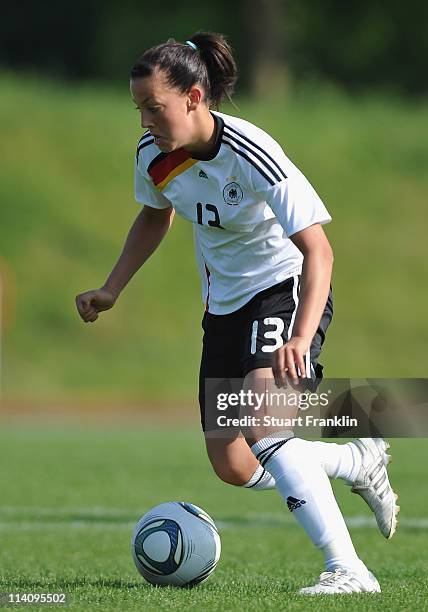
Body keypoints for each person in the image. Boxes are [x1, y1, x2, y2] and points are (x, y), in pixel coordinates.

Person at [75, 31, 399, 595]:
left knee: (266, 427)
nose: (145, 120)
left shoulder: (251, 150)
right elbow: (155, 217)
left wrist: (299, 336)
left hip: (282, 290)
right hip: (223, 307)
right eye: (139, 109)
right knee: (232, 463)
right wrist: (112, 288)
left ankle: (348, 569)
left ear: (195, 98)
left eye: (155, 107)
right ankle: (354, 461)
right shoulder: (154, 155)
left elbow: (318, 249)